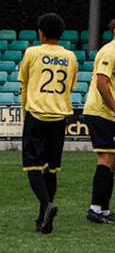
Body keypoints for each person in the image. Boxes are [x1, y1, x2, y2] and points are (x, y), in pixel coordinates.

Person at [17, 12, 77, 233]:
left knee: (32, 167)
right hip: (59, 116)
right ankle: (43, 218)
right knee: (51, 170)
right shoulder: (70, 56)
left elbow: (24, 82)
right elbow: (70, 87)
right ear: (61, 34)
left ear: (40, 33)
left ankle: (47, 205)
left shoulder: (32, 52)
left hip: (36, 114)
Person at [81, 16, 115, 224]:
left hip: (106, 113)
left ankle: (103, 209)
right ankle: (95, 209)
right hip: (100, 111)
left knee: (113, 160)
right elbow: (101, 83)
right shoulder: (110, 52)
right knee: (106, 160)